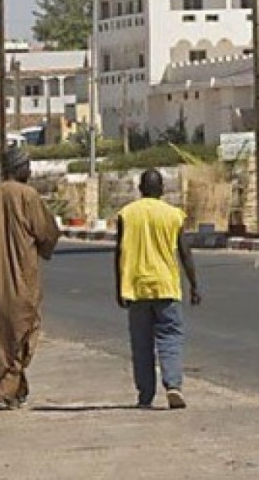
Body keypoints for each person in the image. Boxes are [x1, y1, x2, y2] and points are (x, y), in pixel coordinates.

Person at [0, 144, 61, 409]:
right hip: (21, 280)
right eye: (27, 165)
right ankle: (7, 390)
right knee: (23, 331)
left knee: (3, 332)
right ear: (20, 168)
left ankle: (15, 387)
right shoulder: (28, 196)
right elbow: (47, 232)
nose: (30, 170)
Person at [114, 168, 200, 410]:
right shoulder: (173, 215)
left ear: (141, 189)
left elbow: (118, 253)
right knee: (170, 337)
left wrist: (119, 286)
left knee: (141, 344)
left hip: (136, 287)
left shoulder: (126, 214)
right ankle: (173, 385)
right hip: (166, 287)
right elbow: (185, 252)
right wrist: (194, 285)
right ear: (161, 190)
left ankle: (145, 395)